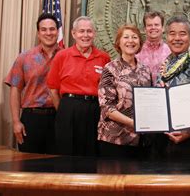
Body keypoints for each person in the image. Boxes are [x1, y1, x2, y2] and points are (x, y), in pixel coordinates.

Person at [47, 16, 110, 156]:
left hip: (94, 110)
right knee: (67, 154)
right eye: (81, 31)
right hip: (68, 109)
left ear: (94, 33)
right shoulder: (62, 56)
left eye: (89, 31)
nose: (85, 35)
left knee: (92, 154)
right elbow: (53, 89)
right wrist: (64, 111)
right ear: (73, 34)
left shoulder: (104, 58)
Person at [153, 15, 190, 159]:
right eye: (172, 34)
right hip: (166, 134)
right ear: (166, 37)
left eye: (182, 34)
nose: (177, 38)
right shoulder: (166, 64)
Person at [4, 13, 62, 154]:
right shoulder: (25, 57)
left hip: (59, 118)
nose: (48, 33)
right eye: (44, 29)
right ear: (38, 33)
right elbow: (15, 90)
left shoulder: (67, 57)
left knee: (59, 167)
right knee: (29, 166)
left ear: (58, 31)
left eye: (52, 29)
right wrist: (16, 122)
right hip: (32, 119)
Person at [97, 24, 152, 159]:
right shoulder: (110, 68)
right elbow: (107, 107)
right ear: (119, 43)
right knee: (114, 179)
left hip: (141, 140)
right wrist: (133, 123)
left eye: (134, 37)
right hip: (114, 139)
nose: (130, 41)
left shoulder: (146, 70)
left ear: (139, 42)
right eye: (126, 37)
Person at [135, 11, 171, 84]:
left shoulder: (170, 52)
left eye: (156, 25)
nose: (153, 27)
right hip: (142, 93)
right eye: (149, 25)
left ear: (163, 28)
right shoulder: (136, 51)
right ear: (145, 29)